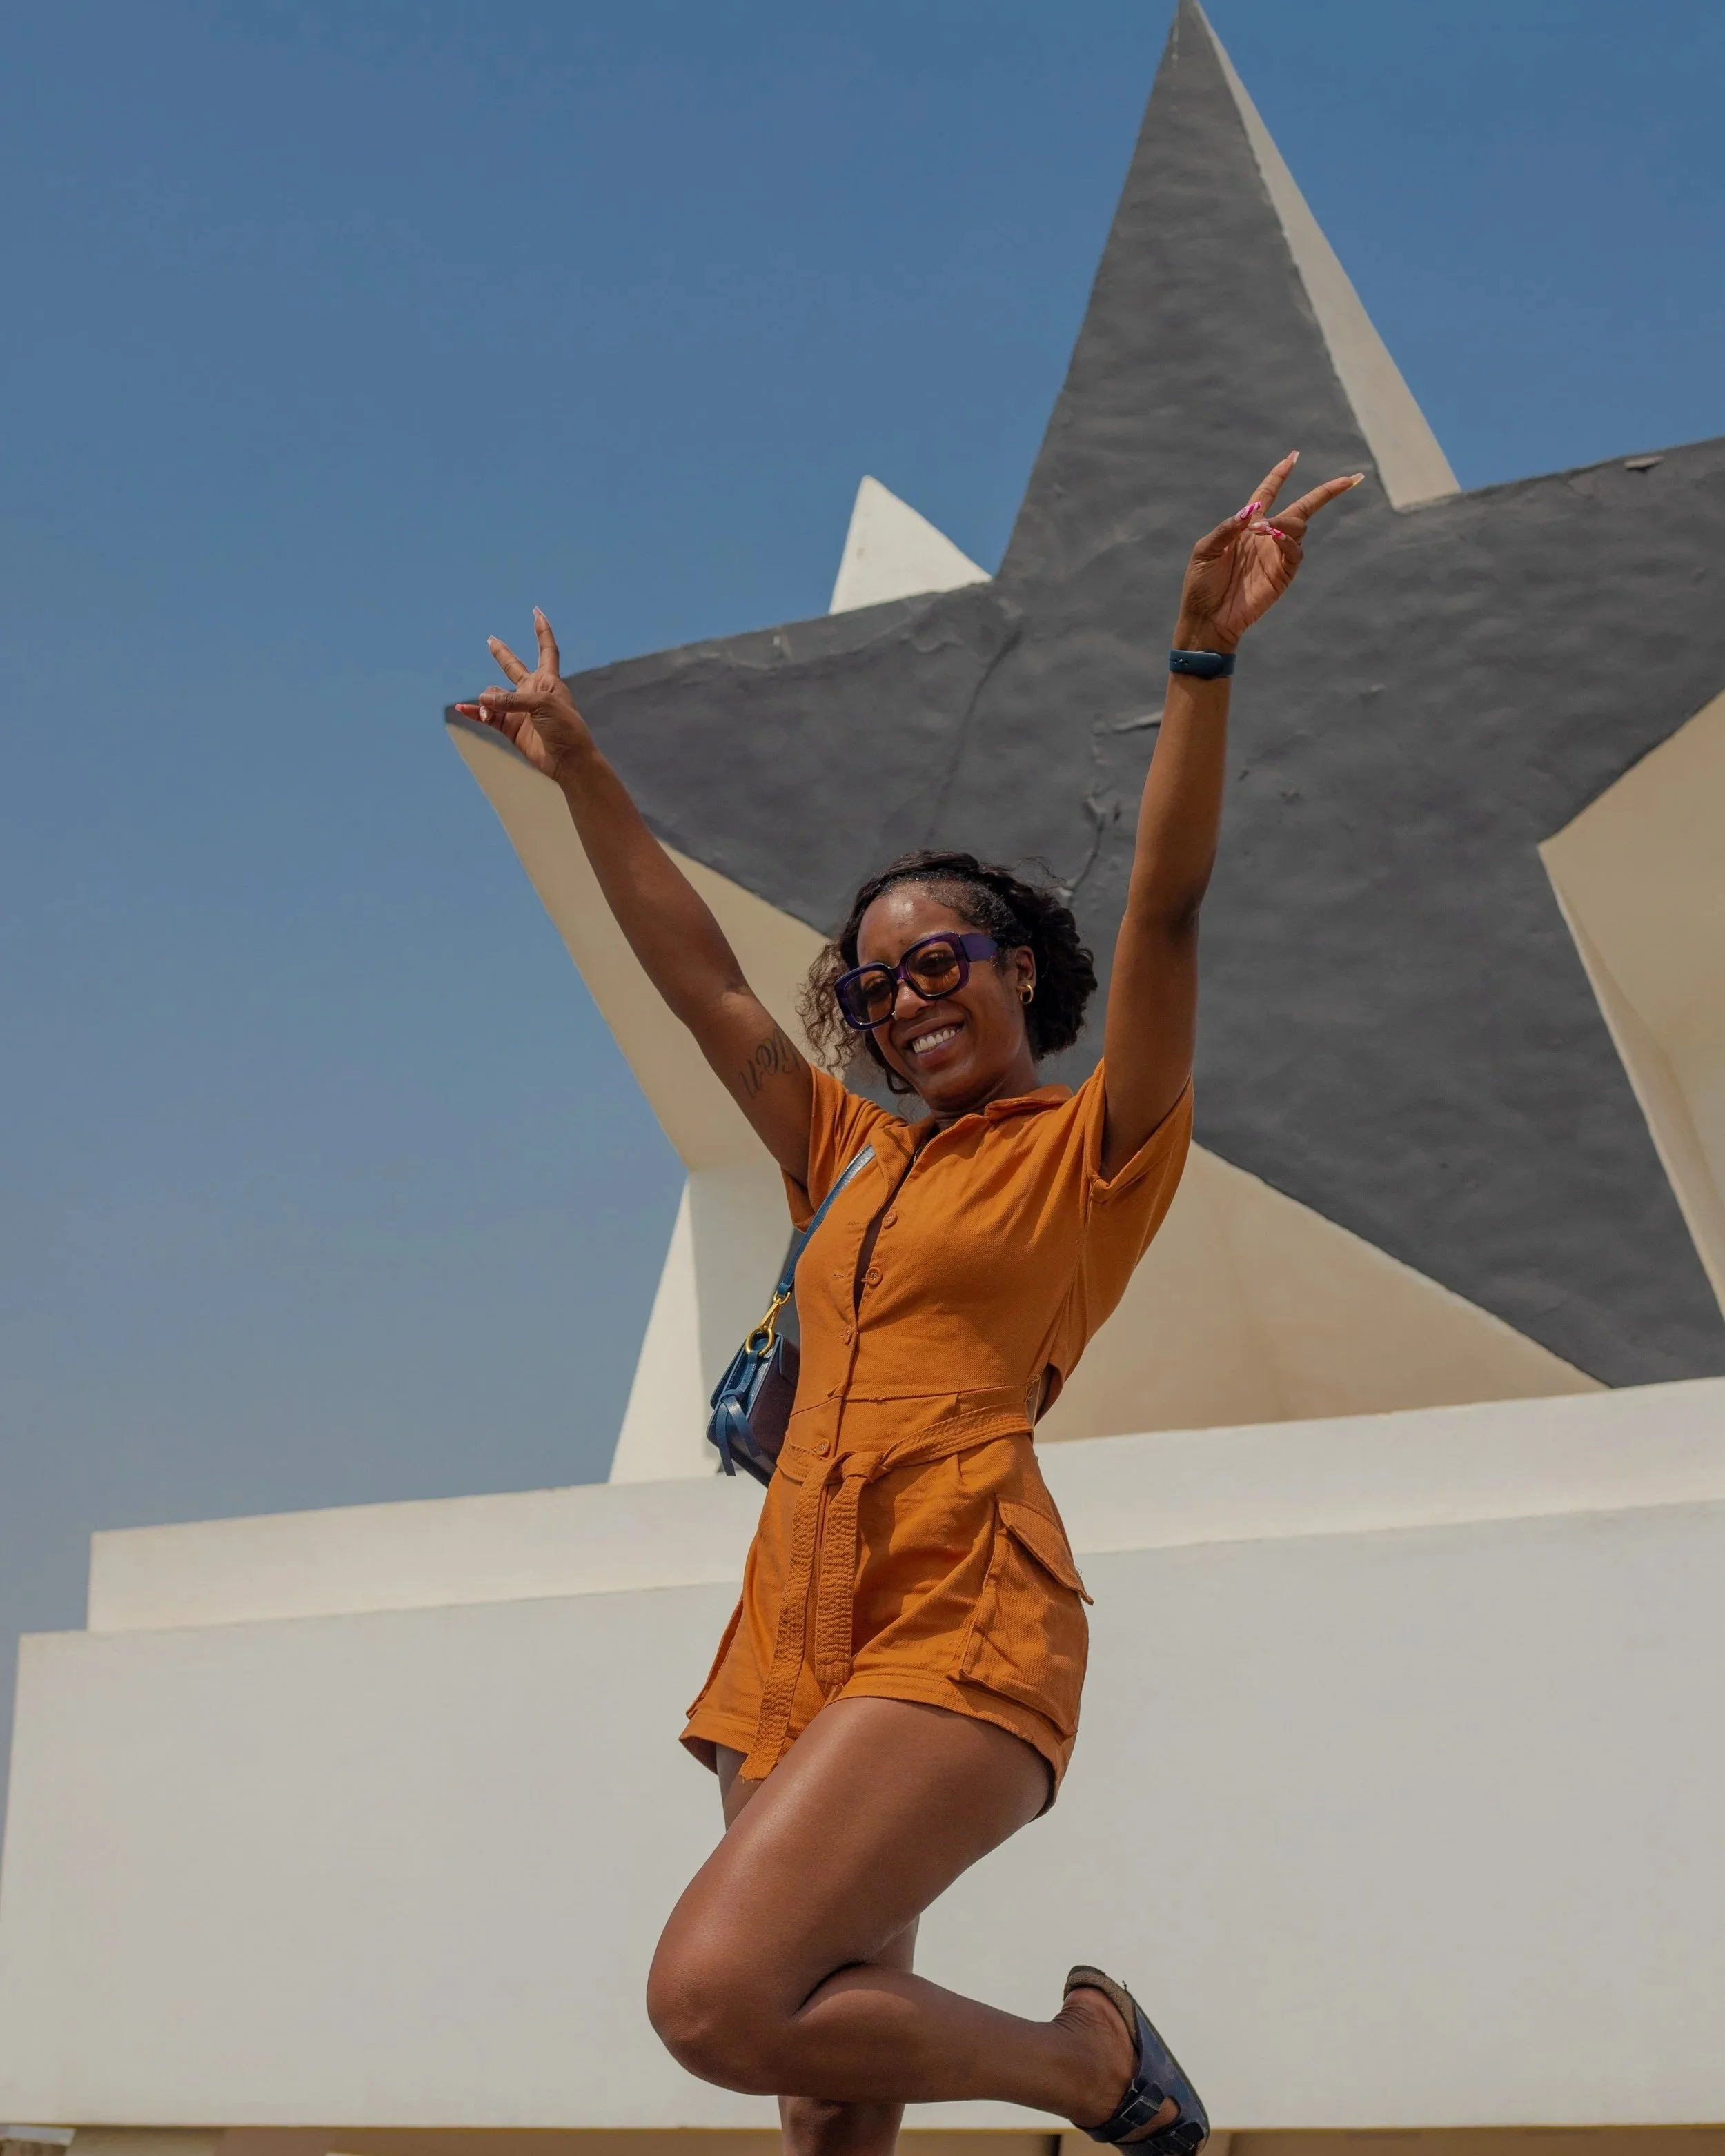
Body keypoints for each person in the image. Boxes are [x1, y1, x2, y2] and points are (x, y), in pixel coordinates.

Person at [456, 452, 1361, 2156]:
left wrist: (1200, 653)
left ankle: (1091, 2066)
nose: (904, 999)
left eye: (938, 960)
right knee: (816, 2077)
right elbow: (703, 977)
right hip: (794, 1603)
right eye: (874, 988)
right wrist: (582, 771)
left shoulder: (1096, 1146)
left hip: (963, 1601)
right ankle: (1070, 2072)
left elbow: (1165, 901)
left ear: (1019, 965)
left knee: (712, 1995)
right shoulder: (843, 1156)